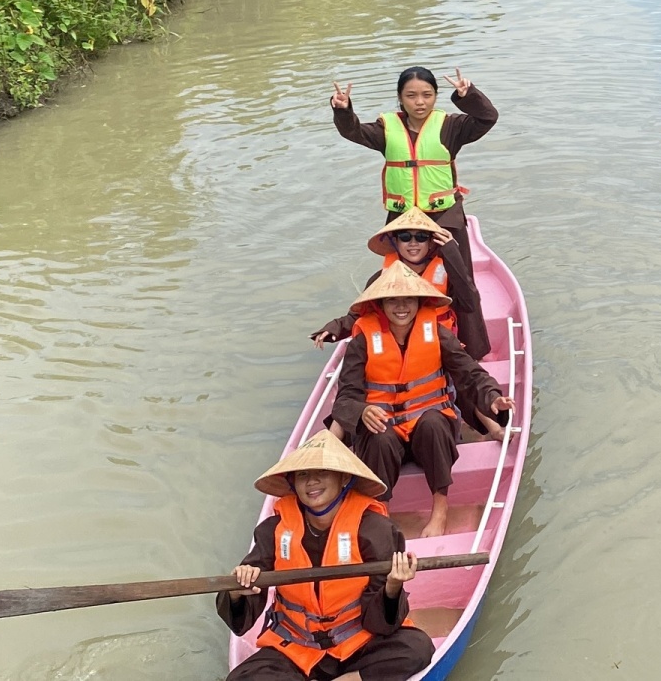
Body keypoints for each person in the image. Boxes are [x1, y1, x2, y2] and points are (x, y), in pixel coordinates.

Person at [217, 430, 435, 681]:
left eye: (322, 473)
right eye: (303, 475)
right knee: (241, 678)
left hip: (357, 642)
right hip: (295, 647)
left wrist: (393, 587)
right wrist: (236, 590)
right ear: (292, 483)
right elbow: (243, 616)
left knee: (416, 647)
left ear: (343, 478)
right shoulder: (273, 530)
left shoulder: (375, 529)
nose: (312, 482)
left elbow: (381, 624)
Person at [327, 267, 513, 539]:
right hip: (387, 434)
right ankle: (381, 512)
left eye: (408, 299)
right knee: (378, 436)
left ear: (419, 302)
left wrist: (493, 397)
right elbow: (345, 398)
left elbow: (470, 372)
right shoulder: (362, 341)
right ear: (380, 304)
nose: (401, 306)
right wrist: (363, 410)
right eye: (392, 299)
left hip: (429, 434)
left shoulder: (437, 333)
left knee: (435, 421)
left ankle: (440, 509)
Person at [330, 66, 496, 358]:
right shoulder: (387, 128)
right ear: (400, 98)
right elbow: (353, 131)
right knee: (398, 283)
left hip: (444, 218)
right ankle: (403, 346)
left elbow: (487, 118)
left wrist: (467, 95)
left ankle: (472, 349)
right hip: (402, 221)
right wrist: (344, 111)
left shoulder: (451, 127)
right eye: (412, 96)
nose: (420, 102)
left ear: (435, 97)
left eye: (427, 95)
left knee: (460, 280)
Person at [309, 208, 489, 361]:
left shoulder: (447, 275)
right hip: (396, 352)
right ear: (395, 242)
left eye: (421, 237)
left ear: (430, 243)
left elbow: (469, 302)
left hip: (439, 351)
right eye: (404, 237)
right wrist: (334, 329)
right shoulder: (381, 278)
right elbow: (359, 314)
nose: (413, 243)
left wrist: (451, 252)